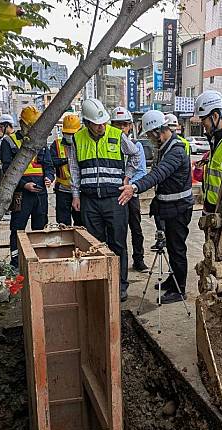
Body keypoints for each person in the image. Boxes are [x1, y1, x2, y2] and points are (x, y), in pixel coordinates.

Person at [118, 110, 194, 304]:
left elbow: (157, 175)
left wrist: (134, 187)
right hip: (170, 208)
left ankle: (180, 289)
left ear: (159, 131)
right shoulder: (165, 148)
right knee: (171, 245)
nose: (151, 140)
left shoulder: (176, 151)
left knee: (177, 249)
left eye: (151, 135)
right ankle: (173, 280)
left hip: (179, 209)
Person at [69, 98, 140, 302]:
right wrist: (75, 194)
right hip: (89, 200)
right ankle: (99, 285)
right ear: (86, 122)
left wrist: (127, 176)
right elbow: (74, 167)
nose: (101, 126)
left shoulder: (117, 135)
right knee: (94, 245)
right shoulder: (77, 139)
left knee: (118, 244)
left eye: (103, 122)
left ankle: (120, 286)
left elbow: (135, 156)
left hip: (115, 199)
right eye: (96, 123)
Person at [0, 106, 54, 269]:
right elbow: (7, 170)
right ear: (22, 124)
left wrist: (49, 177)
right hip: (21, 193)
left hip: (40, 193)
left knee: (41, 229)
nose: (34, 129)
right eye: (31, 125)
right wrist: (24, 185)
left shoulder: (41, 141)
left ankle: (39, 261)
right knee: (18, 229)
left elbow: (48, 165)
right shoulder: (9, 141)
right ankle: (16, 264)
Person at [110, 106, 149, 272]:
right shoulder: (108, 144)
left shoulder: (136, 146)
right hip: (114, 194)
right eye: (117, 125)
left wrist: (130, 186)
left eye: (124, 125)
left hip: (131, 193)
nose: (121, 129)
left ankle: (138, 259)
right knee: (116, 230)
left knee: (136, 228)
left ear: (130, 126)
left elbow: (141, 171)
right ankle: (116, 263)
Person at [193, 90, 222, 213]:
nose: (203, 124)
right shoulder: (215, 141)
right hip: (210, 208)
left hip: (221, 211)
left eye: (203, 120)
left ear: (215, 116)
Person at [50, 114, 83, 226]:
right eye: (68, 133)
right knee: (63, 223)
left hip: (80, 191)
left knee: (81, 222)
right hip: (62, 190)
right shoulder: (56, 145)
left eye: (73, 133)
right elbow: (52, 161)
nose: (70, 136)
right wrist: (67, 160)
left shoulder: (83, 144)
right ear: (63, 132)